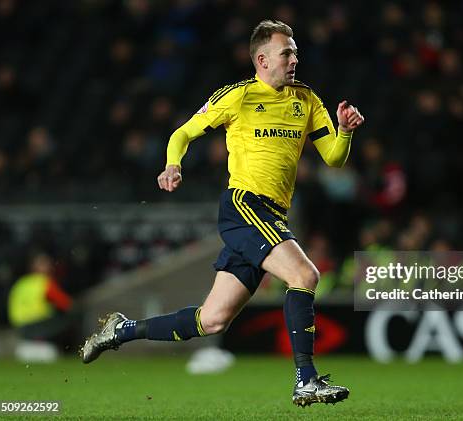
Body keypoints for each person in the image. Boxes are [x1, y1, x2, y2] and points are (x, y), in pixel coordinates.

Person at [80, 19, 364, 407]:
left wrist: (345, 130)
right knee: (305, 274)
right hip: (245, 206)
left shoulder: (307, 100)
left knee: (212, 320)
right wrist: (172, 164)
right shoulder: (238, 96)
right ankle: (307, 380)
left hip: (272, 215)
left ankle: (121, 330)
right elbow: (182, 133)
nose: (295, 58)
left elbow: (333, 157)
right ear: (262, 59)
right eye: (287, 52)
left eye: (295, 51)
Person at [8, 252, 74, 362]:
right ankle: (70, 351)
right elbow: (66, 304)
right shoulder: (44, 283)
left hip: (19, 326)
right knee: (70, 318)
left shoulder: (21, 283)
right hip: (38, 324)